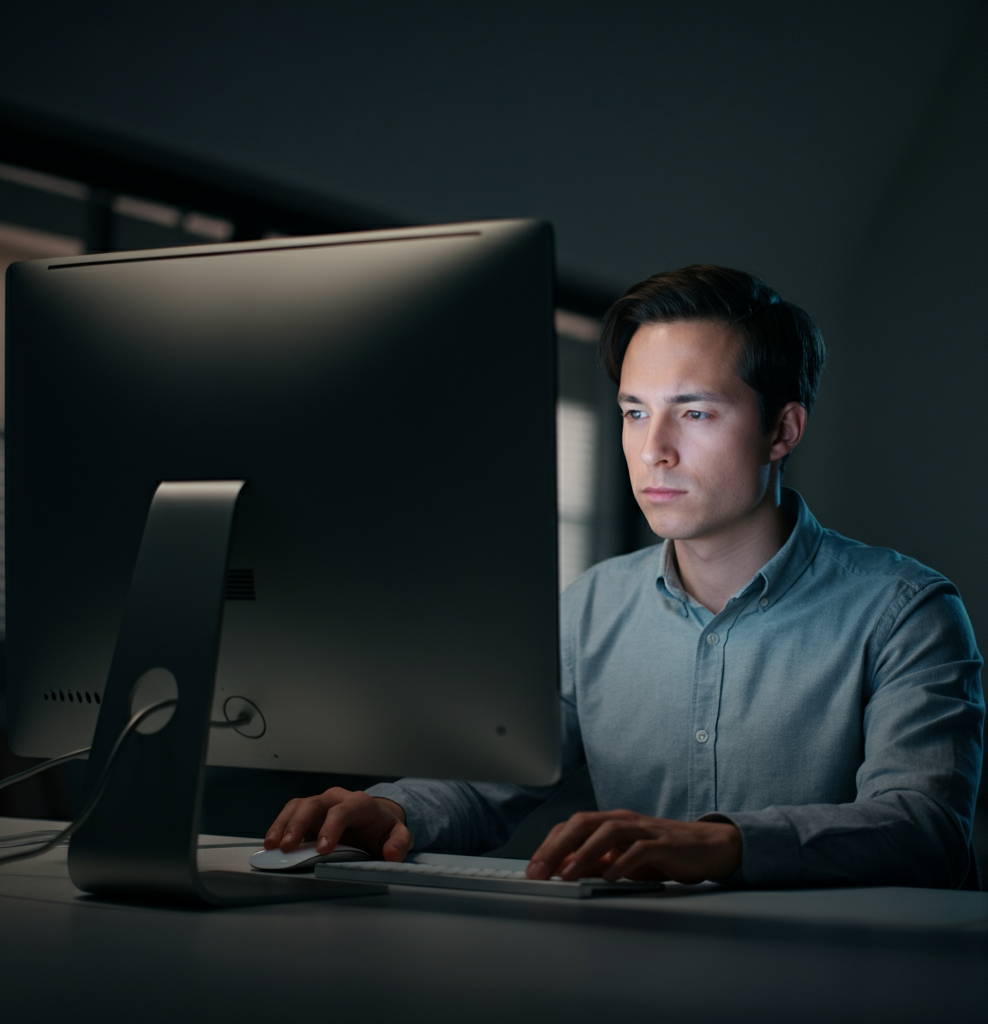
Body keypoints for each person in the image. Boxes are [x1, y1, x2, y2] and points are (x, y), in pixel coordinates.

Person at [263, 265, 985, 889]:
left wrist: (724, 844)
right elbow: (490, 781)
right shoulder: (593, 605)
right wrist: (390, 810)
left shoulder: (905, 611)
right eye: (635, 413)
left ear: (782, 431)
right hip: (635, 973)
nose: (653, 450)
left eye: (694, 412)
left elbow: (924, 827)